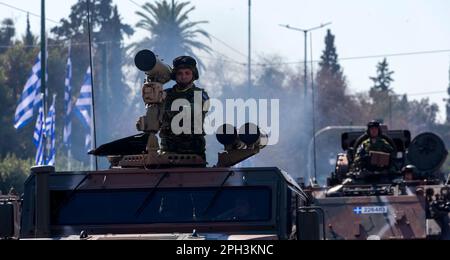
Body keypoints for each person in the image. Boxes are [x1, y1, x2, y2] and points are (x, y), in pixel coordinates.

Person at [159, 56, 210, 160]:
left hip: (192, 153)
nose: (183, 76)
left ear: (193, 74)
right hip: (167, 151)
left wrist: (170, 110)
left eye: (187, 73)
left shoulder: (200, 94)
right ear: (175, 75)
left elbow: (192, 110)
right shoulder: (165, 94)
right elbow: (156, 117)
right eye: (180, 73)